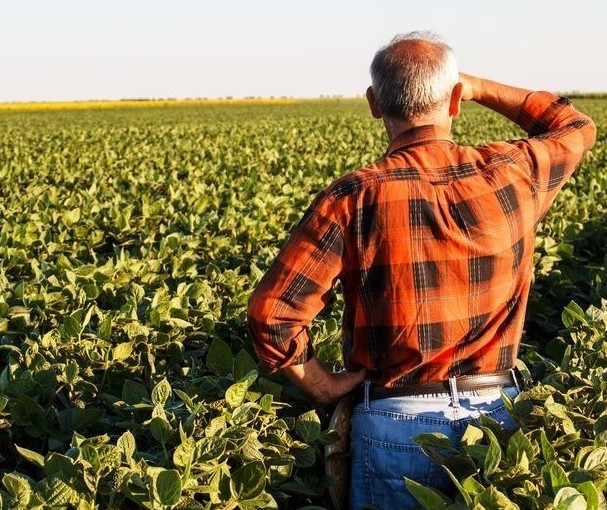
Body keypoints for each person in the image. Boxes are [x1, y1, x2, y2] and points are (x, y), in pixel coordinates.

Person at [247, 31, 596, 508]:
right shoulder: (514, 171)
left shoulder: (353, 197)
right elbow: (574, 125)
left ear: (373, 103)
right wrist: (476, 87)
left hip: (394, 423)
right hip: (496, 422)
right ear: (454, 100)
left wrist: (323, 385)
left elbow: (272, 313)